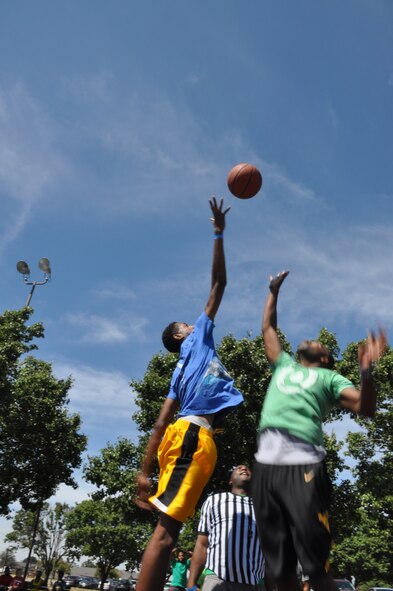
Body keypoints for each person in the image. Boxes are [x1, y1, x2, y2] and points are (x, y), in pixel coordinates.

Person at [251, 271, 387, 591]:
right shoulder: (284, 365)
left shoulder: (330, 379)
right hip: (265, 469)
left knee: (314, 565)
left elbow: (365, 408)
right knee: (278, 569)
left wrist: (365, 372)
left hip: (303, 466)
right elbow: (267, 327)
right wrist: (273, 291)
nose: (311, 339)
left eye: (318, 342)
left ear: (325, 358)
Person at [136, 197, 244, 591]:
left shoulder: (178, 377)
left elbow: (161, 421)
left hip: (182, 437)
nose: (191, 320)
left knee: (168, 534)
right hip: (192, 437)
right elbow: (219, 284)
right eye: (185, 322)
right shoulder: (196, 340)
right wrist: (218, 233)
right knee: (166, 536)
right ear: (181, 333)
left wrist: (144, 471)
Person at [187, 465, 265, 591]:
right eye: (238, 468)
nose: (243, 468)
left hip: (254, 583)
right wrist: (191, 586)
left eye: (247, 468)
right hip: (217, 580)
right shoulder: (214, 500)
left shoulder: (264, 507)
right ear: (230, 481)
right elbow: (202, 544)